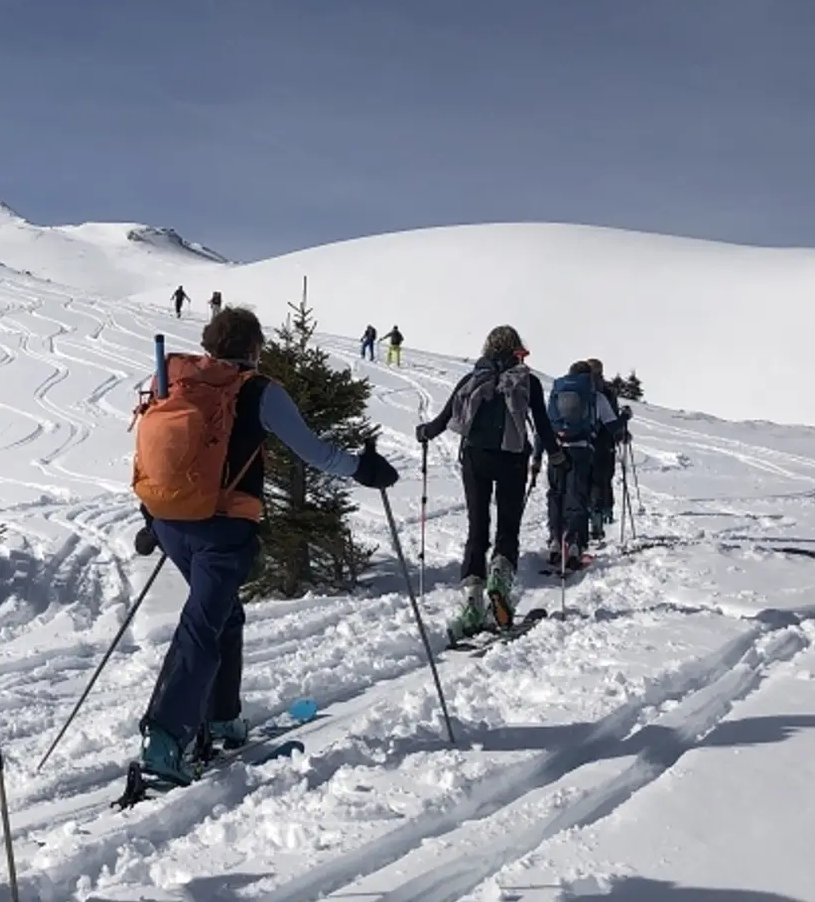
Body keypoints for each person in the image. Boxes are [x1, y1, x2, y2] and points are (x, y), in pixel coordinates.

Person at [132, 306, 400, 786]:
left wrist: (154, 517)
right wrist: (363, 469)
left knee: (223, 614)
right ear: (254, 348)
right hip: (223, 528)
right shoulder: (259, 391)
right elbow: (315, 452)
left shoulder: (172, 381)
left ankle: (222, 716)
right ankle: (166, 741)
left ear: (210, 344)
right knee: (202, 625)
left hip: (170, 521)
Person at [415, 326, 557, 639]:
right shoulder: (527, 381)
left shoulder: (471, 379)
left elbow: (440, 422)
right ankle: (499, 587)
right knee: (508, 527)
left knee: (477, 529)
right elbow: (544, 427)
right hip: (513, 459)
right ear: (517, 349)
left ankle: (471, 603)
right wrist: (559, 456)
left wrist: (424, 432)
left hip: (475, 459)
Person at [538, 360, 622, 572]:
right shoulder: (595, 395)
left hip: (557, 449)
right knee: (577, 495)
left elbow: (545, 424)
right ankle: (575, 544)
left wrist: (538, 456)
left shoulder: (558, 391)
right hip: (581, 449)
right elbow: (612, 426)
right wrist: (626, 419)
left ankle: (556, 540)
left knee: (556, 494)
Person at [583, 359, 633, 541]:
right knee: (603, 478)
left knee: (584, 481)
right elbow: (610, 420)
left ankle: (585, 518)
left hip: (582, 440)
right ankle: (603, 514)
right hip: (604, 442)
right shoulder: (607, 392)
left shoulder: (579, 389)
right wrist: (623, 426)